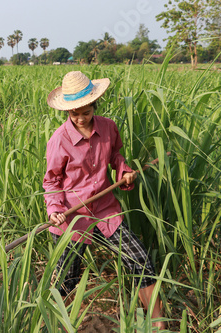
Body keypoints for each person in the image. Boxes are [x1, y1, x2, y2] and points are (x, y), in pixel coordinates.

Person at [43, 71, 164, 329]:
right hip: (72, 217)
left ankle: (157, 324)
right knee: (67, 280)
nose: (80, 118)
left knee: (140, 259)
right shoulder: (59, 140)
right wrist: (54, 209)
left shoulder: (108, 127)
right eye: (74, 113)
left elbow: (115, 157)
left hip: (105, 210)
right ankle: (48, 323)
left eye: (85, 112)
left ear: (94, 105)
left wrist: (124, 172)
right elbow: (51, 181)